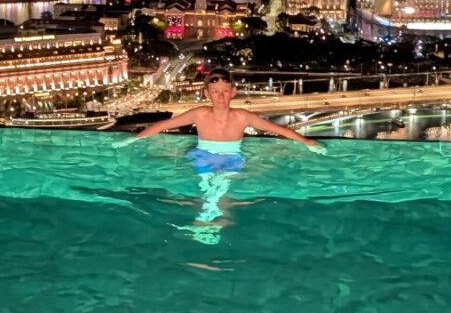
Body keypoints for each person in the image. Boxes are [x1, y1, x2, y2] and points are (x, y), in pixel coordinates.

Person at [135, 71, 323, 232]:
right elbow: (165, 124)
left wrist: (307, 142)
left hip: (230, 159)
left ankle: (206, 221)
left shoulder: (242, 116)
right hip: (202, 156)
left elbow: (278, 129)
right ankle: (213, 221)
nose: (220, 97)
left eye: (225, 91)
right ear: (207, 93)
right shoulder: (199, 114)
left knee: (219, 187)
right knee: (209, 188)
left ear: (233, 92)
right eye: (215, 92)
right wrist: (134, 138)